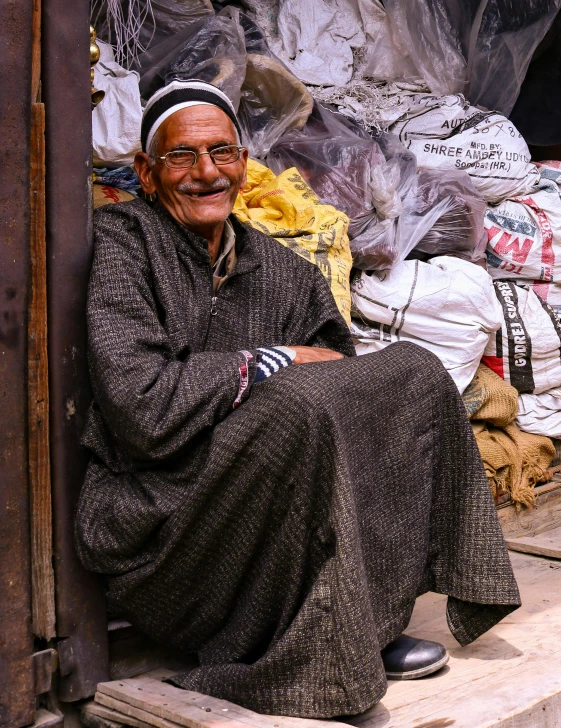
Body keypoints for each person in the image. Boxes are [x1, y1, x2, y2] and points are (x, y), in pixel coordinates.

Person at [75, 80, 521, 719]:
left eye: (223, 154)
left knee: (415, 374)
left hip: (261, 521)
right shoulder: (125, 244)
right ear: (146, 172)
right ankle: (315, 650)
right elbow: (140, 407)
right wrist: (268, 362)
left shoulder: (285, 272)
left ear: (244, 166)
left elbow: (346, 394)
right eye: (182, 157)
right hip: (158, 533)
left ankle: (362, 619)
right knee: (296, 407)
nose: (207, 173)